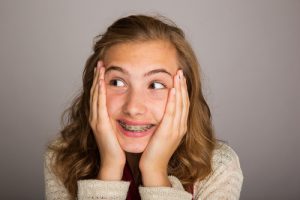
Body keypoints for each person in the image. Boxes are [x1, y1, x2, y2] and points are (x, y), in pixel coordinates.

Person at [44, 14, 243, 200]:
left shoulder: (218, 167)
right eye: (117, 82)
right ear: (93, 87)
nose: (133, 108)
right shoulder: (61, 158)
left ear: (186, 95)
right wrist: (110, 168)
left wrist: (155, 171)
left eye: (156, 85)